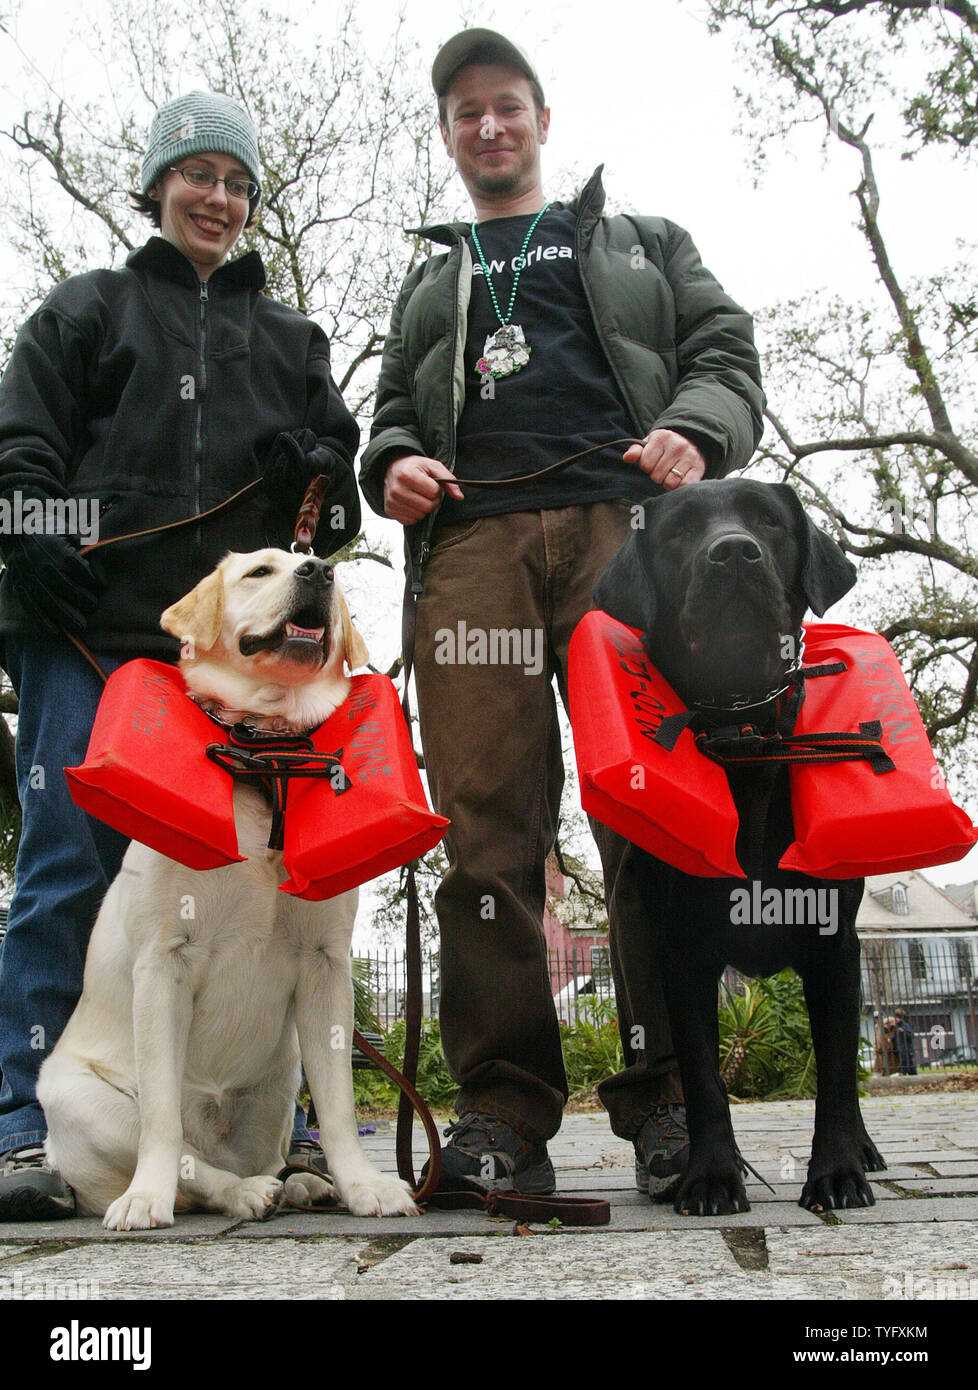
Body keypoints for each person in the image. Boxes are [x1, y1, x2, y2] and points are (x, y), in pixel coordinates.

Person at [359, 29, 764, 1195]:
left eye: (507, 107)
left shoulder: (639, 241)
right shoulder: (433, 279)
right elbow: (389, 413)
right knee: (486, 825)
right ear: (447, 136)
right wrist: (392, 462)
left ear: (541, 119)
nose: (488, 127)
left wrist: (698, 425)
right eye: (465, 113)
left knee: (649, 807)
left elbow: (727, 349)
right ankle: (500, 1114)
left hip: (623, 535)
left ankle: (672, 1097)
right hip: (475, 547)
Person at [0, 90, 360, 1218]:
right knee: (67, 867)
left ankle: (290, 1135)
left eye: (237, 181)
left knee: (274, 899)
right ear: (156, 186)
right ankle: (21, 1129)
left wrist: (327, 471)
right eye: (197, 174)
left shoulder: (295, 339)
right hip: (90, 638)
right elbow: (19, 445)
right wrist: (33, 529)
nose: (217, 197)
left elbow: (332, 519)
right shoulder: (84, 308)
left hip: (242, 675)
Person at [894, 1009, 917, 1076]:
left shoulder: (905, 1026)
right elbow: (895, 1035)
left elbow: (911, 1036)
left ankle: (902, 1073)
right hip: (901, 1047)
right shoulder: (897, 1026)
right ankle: (911, 1074)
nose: (896, 1019)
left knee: (906, 1061)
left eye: (898, 1017)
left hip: (907, 1048)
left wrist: (903, 1032)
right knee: (909, 1064)